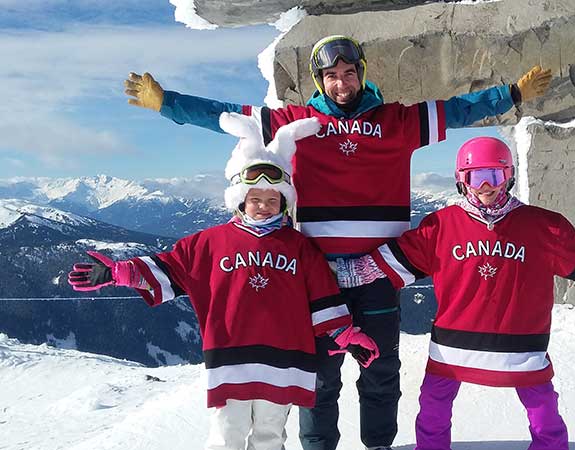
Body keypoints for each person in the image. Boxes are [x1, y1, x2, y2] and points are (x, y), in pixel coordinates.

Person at [123, 34, 553, 450]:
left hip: (379, 272)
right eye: (331, 76)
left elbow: (458, 110)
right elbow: (226, 115)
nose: (341, 83)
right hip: (318, 277)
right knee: (321, 375)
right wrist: (167, 103)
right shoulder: (297, 124)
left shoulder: (398, 122)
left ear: (361, 73)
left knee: (381, 369)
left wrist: (511, 95)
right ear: (319, 80)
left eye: (349, 73)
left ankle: (378, 445)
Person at [336, 136, 575, 450]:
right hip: (453, 346)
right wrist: (338, 275)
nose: (486, 187)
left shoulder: (543, 226)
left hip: (521, 347)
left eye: (494, 176)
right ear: (461, 180)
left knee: (543, 411)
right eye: (475, 177)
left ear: (508, 177)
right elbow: (391, 260)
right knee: (434, 407)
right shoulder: (440, 227)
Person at [67, 114, 379, 450]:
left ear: (284, 203)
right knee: (227, 435)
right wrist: (118, 273)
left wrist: (346, 335)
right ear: (241, 200)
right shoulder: (209, 243)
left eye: (272, 200)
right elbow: (170, 268)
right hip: (231, 356)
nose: (263, 206)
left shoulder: (299, 246)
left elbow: (321, 296)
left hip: (284, 358)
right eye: (255, 199)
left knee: (270, 436)